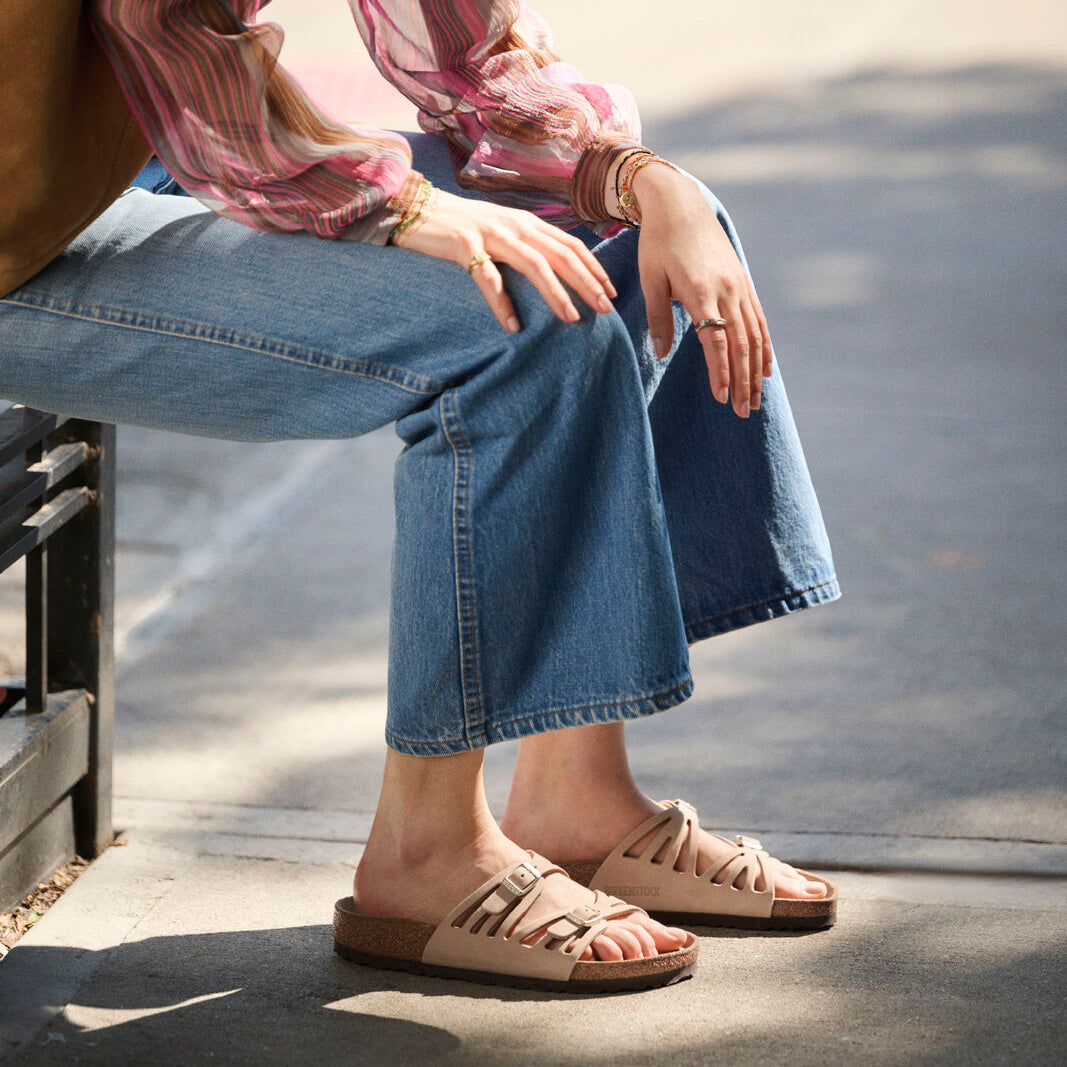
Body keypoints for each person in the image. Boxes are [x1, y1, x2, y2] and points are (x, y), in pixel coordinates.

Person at [0, 1, 840, 992]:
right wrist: (398, 206)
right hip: (28, 232)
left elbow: (465, 51)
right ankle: (424, 851)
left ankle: (577, 794)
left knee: (610, 242)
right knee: (514, 323)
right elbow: (170, 31)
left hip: (133, 162)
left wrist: (638, 177)